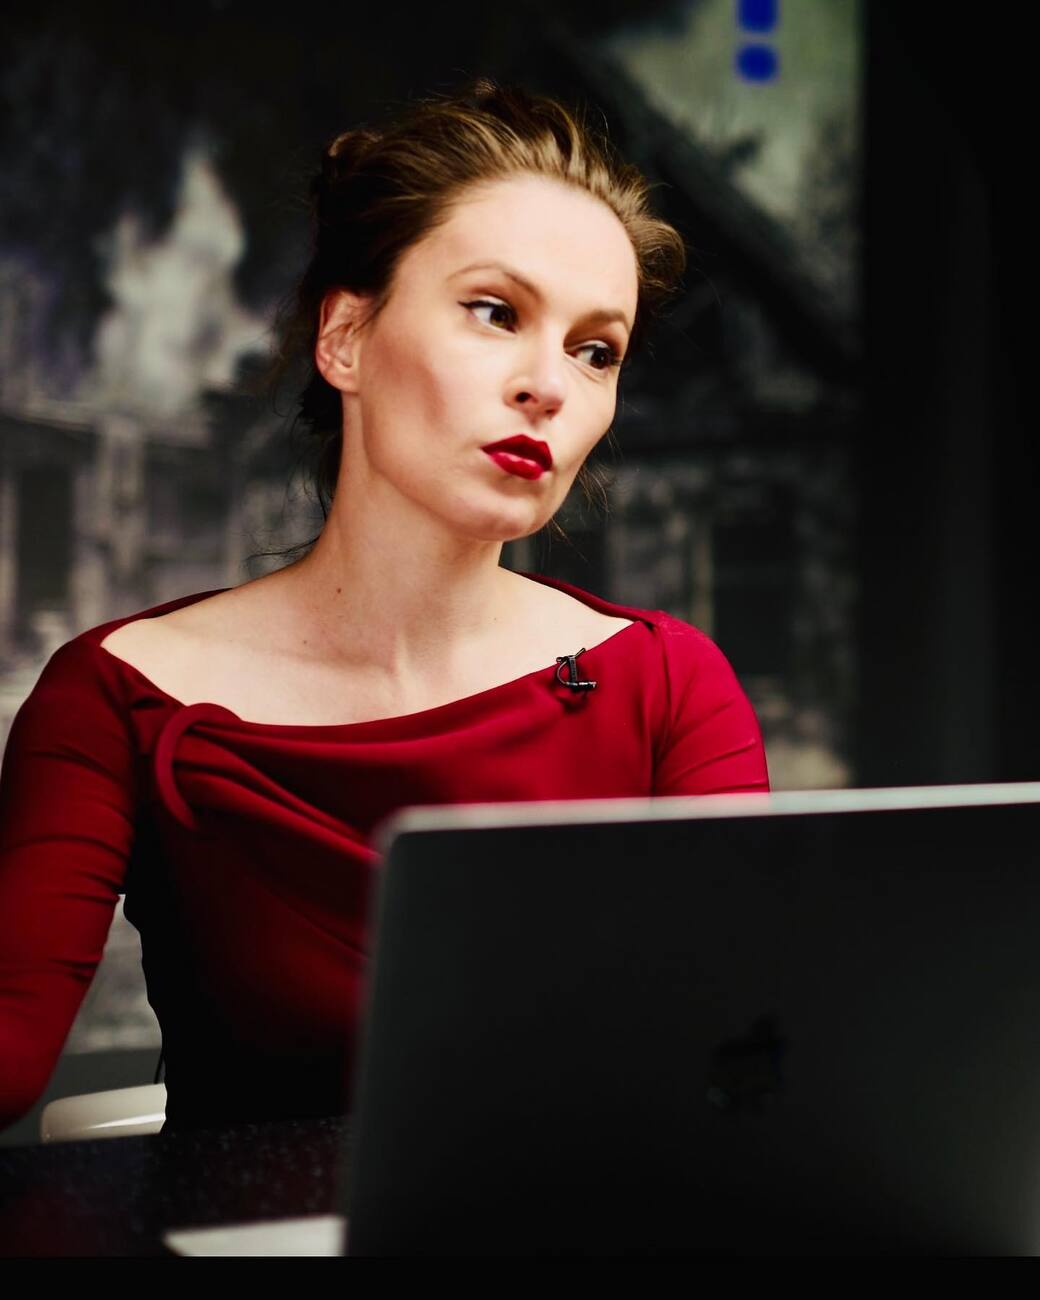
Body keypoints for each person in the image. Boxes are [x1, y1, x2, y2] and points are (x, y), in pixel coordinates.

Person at [0, 78, 769, 1136]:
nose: (549, 385)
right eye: (495, 312)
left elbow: (748, 1065)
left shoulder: (668, 685)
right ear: (346, 339)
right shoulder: (114, 693)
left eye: (595, 351)